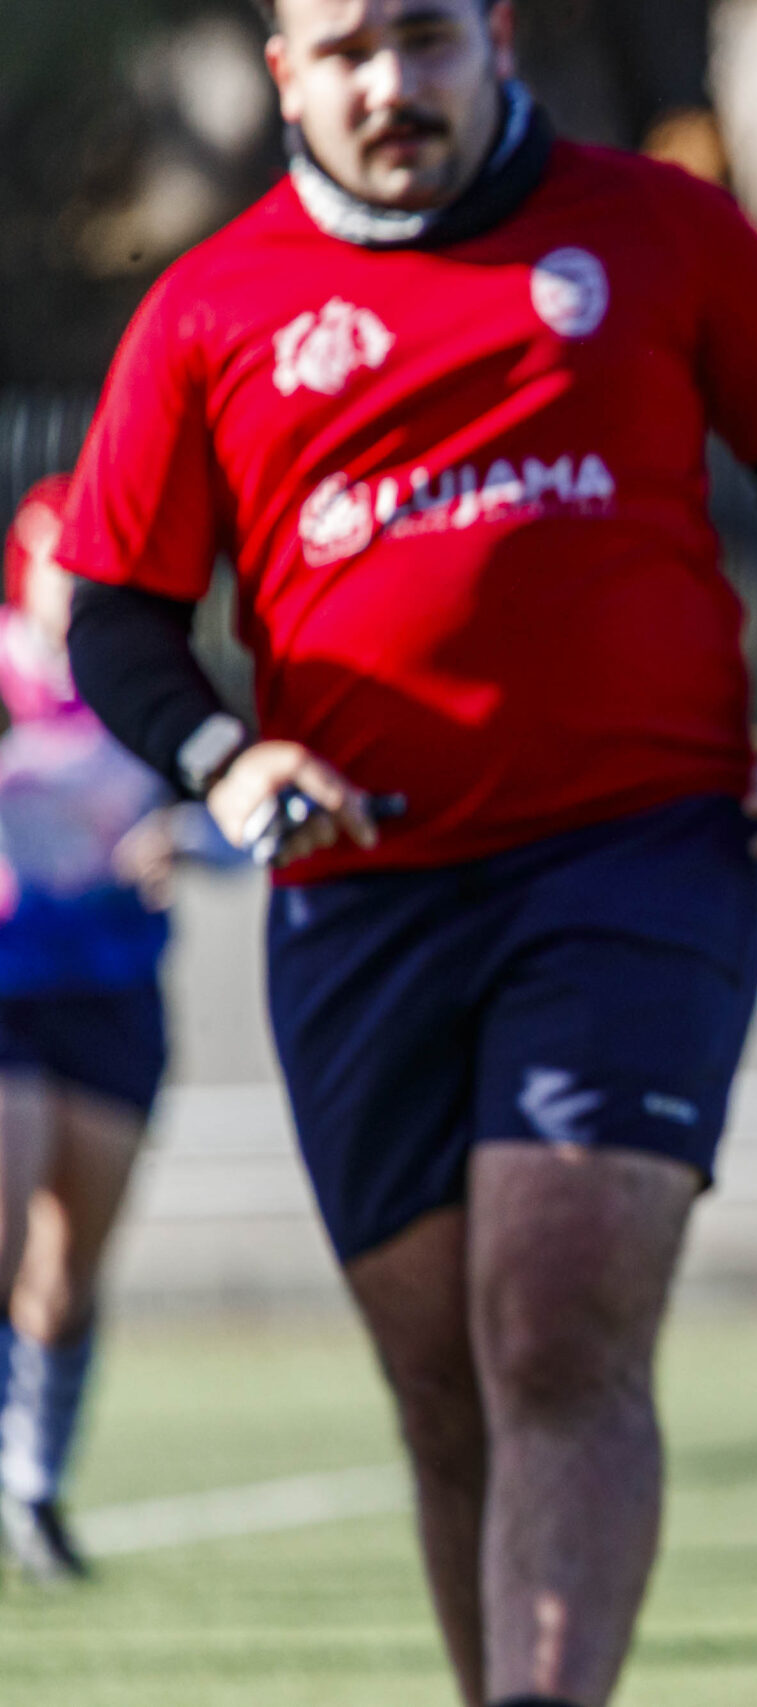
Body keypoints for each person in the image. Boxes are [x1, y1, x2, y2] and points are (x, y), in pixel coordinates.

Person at [55, 1, 757, 1700]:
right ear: (285, 72)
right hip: (360, 895)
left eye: (426, 37)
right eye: (347, 50)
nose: (392, 84)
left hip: (638, 854)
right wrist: (226, 758)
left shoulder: (656, 226)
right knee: (444, 1382)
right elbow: (117, 614)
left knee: (557, 1317)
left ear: (495, 35)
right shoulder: (209, 303)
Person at [0, 479, 183, 1584]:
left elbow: (227, 808)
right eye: (57, 561)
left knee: (68, 1269)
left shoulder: (150, 676)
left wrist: (185, 838)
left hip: (115, 991)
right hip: (6, 985)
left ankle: (36, 1483)